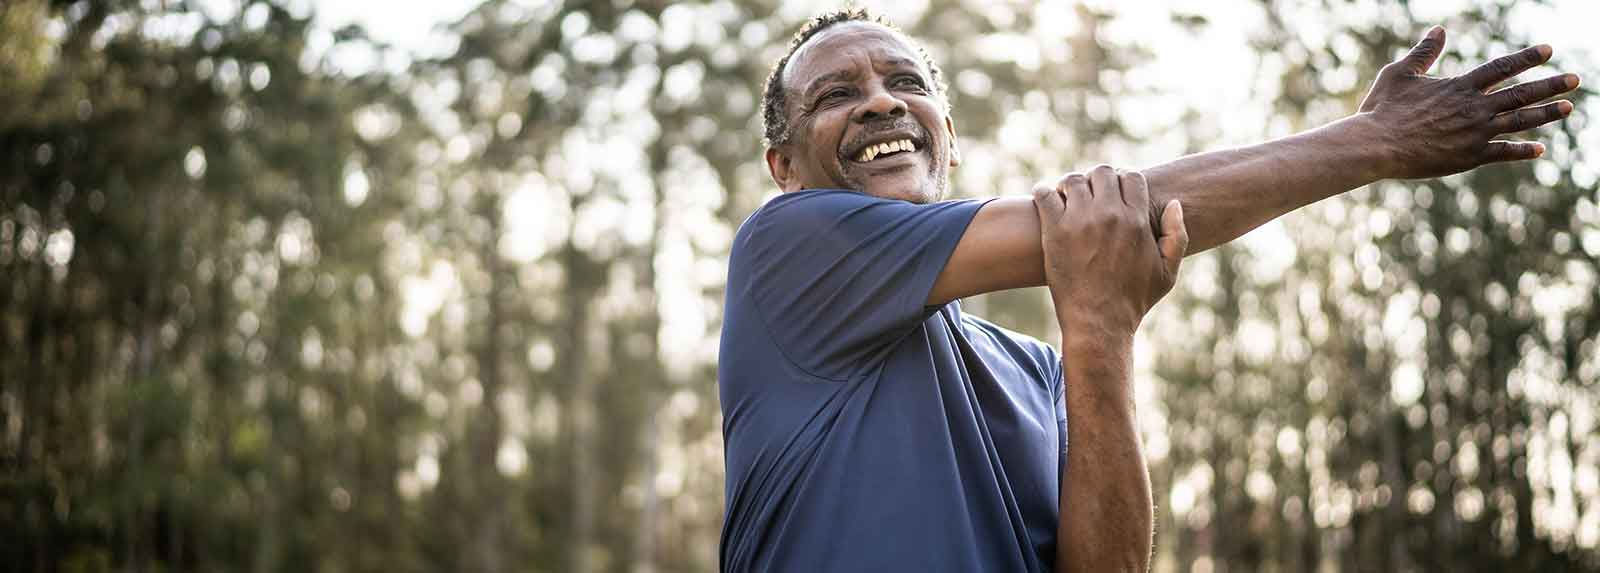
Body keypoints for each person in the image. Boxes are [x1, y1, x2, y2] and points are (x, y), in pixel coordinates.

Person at [717, 8, 1578, 572]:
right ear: (784, 165)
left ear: (948, 136)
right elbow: (1098, 221)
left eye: (905, 84)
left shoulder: (1036, 369)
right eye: (838, 94)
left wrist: (1101, 331)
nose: (879, 104)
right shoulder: (784, 247)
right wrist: (1375, 142)